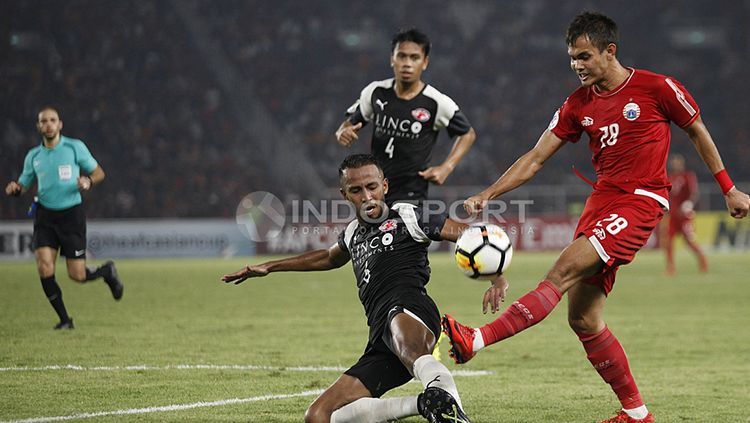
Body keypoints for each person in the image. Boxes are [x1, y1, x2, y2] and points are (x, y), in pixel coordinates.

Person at [440, 11, 750, 423]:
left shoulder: (658, 88)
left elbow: (696, 130)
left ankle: (475, 339)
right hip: (601, 203)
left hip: (641, 202)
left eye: (584, 56)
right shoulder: (576, 105)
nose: (577, 65)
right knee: (583, 318)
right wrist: (489, 192)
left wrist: (727, 187)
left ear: (610, 51)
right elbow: (535, 158)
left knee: (561, 272)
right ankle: (636, 413)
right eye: (572, 58)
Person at [222, 154, 501, 423]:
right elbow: (329, 257)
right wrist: (270, 267)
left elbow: (468, 235)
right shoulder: (353, 232)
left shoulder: (408, 215)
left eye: (372, 187)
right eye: (356, 190)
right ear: (345, 195)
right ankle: (422, 404)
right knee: (319, 415)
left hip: (410, 308)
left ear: (385, 186)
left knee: (408, 344)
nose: (367, 196)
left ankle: (452, 412)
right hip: (380, 335)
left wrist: (495, 274)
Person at [5, 106, 124, 330]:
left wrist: (88, 181)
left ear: (60, 124)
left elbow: (99, 172)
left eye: (52, 120)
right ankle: (65, 319)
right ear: (38, 126)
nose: (48, 124)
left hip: (71, 216)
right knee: (44, 267)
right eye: (44, 121)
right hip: (45, 217)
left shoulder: (74, 147)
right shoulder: (34, 156)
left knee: (77, 275)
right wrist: (16, 188)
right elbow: (24, 184)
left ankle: (106, 271)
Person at [335, 28, 476, 204]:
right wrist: (343, 130)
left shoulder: (436, 102)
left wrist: (446, 167)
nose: (407, 63)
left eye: (414, 57)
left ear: (425, 62)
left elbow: (468, 133)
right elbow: (349, 123)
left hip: (411, 193)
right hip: (375, 190)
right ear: (392, 59)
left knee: (399, 230)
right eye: (402, 56)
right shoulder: (375, 92)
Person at [663, 153, 708, 275]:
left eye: (677, 162)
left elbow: (694, 192)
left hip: (685, 216)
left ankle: (703, 261)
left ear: (682, 164)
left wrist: (689, 203)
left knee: (689, 242)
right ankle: (670, 267)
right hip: (673, 215)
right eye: (673, 162)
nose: (675, 164)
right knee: (668, 241)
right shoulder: (670, 177)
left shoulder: (688, 176)